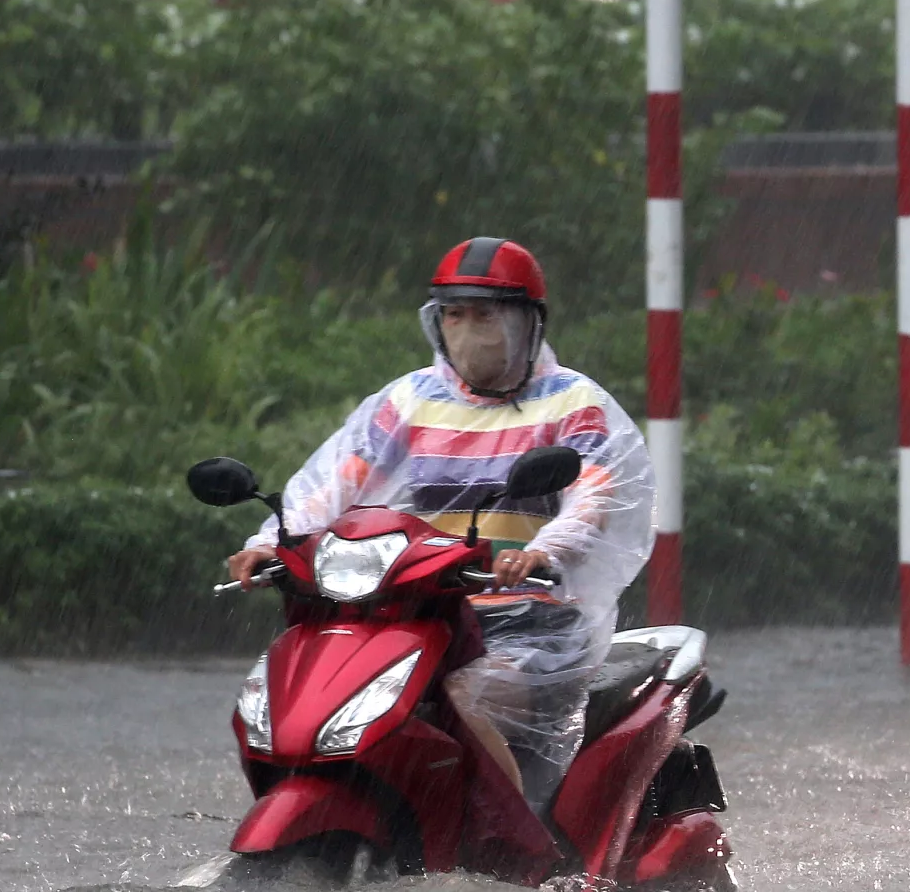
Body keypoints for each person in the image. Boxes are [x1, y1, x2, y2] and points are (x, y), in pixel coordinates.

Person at [224, 237, 652, 813]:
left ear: (527, 322)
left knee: (460, 700)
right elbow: (334, 485)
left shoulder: (571, 403)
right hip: (422, 613)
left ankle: (512, 842)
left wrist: (543, 551)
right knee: (319, 693)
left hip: (528, 621)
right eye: (454, 314)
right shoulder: (411, 400)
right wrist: (271, 543)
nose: (468, 331)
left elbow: (592, 494)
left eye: (485, 315)